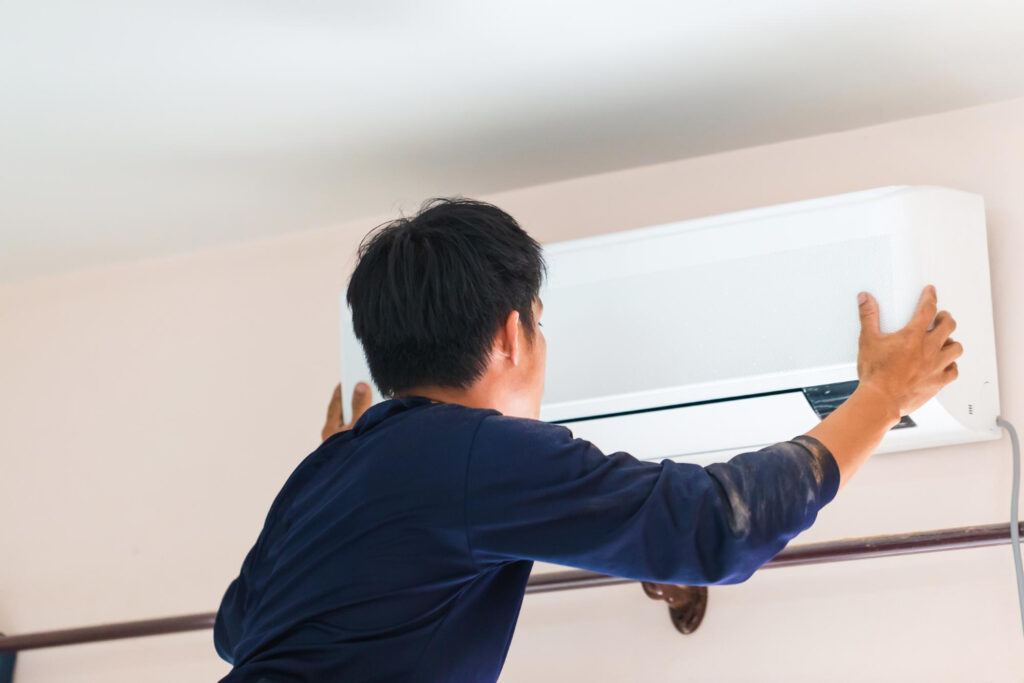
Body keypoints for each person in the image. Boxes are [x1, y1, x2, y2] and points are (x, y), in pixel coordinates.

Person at [214, 198, 962, 682]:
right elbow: (715, 524)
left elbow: (237, 629)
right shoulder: (473, 452)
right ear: (514, 332)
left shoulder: (331, 469)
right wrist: (883, 395)